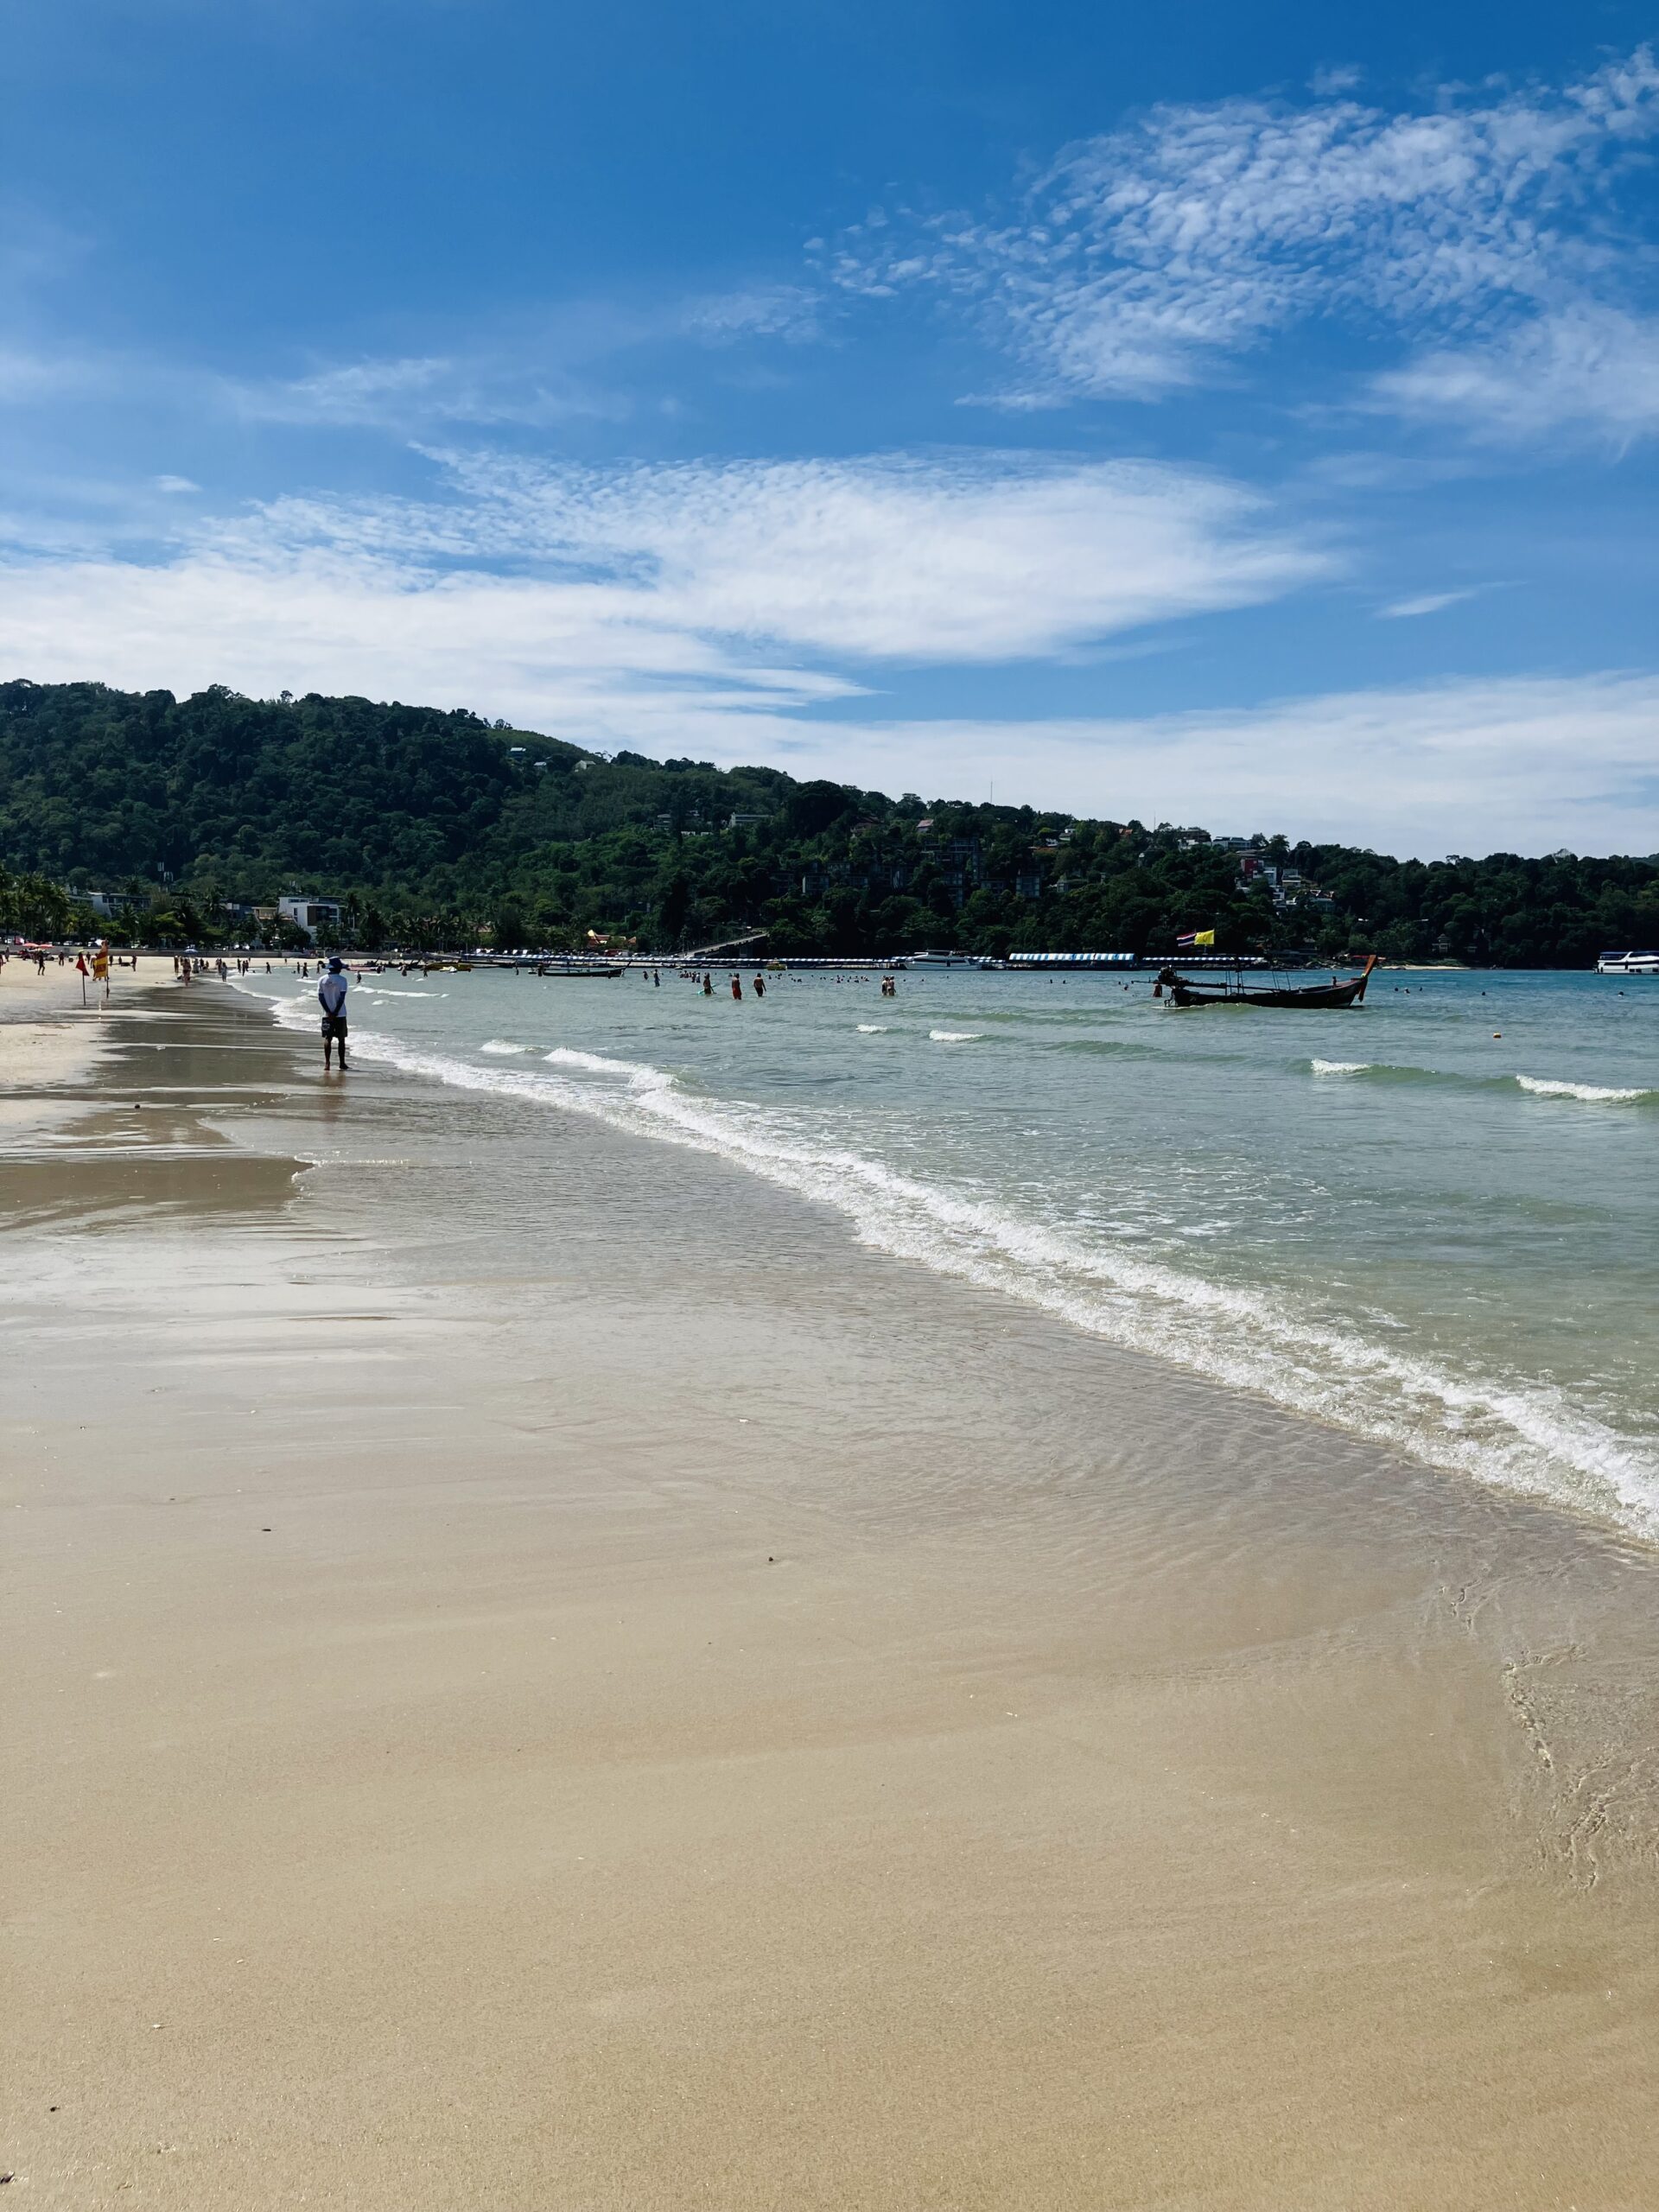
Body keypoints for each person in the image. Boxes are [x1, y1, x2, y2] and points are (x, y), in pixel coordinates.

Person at [318, 956, 350, 1070]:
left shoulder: (322, 980)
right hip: (340, 1014)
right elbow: (341, 998)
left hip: (327, 1014)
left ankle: (327, 1063)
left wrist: (328, 1012)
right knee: (341, 1039)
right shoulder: (342, 980)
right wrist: (335, 1012)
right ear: (339, 968)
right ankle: (342, 1063)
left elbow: (320, 997)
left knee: (328, 1038)